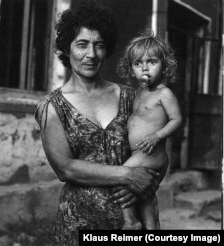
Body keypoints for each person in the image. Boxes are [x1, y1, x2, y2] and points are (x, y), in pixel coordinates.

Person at [35, 2, 162, 245]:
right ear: (67, 48)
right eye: (82, 44)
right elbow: (65, 168)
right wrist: (127, 175)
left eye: (99, 45)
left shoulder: (131, 97)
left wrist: (149, 180)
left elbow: (155, 151)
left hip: (134, 222)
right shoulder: (52, 106)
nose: (91, 55)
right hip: (80, 223)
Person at [117, 32, 182, 230]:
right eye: (138, 64)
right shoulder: (138, 94)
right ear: (131, 70)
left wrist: (157, 136)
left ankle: (130, 222)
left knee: (120, 177)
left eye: (151, 62)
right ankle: (151, 228)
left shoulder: (164, 93)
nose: (145, 68)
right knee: (145, 196)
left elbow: (176, 119)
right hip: (141, 154)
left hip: (151, 154)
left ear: (164, 66)